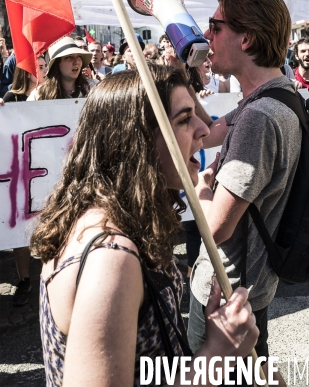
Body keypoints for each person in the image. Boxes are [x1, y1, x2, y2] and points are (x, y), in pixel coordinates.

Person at [30, 66, 258, 386]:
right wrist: (218, 354)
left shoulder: (116, 222)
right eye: (183, 119)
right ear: (137, 143)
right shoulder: (110, 258)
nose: (203, 130)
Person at [188, 0, 302, 386]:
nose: (207, 36)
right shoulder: (276, 96)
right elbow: (209, 131)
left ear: (247, 37)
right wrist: (184, 77)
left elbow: (217, 226)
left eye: (215, 27)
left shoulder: (258, 117)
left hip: (225, 296)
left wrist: (202, 185)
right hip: (248, 291)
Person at [2, 56, 47, 305]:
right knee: (22, 230)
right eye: (37, 67)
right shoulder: (12, 98)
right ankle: (24, 278)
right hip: (22, 174)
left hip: (46, 170)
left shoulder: (52, 95)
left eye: (44, 66)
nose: (42, 71)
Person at [28, 37, 93, 100]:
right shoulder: (40, 95)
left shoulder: (93, 89)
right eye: (69, 57)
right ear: (56, 64)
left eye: (78, 56)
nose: (76, 62)